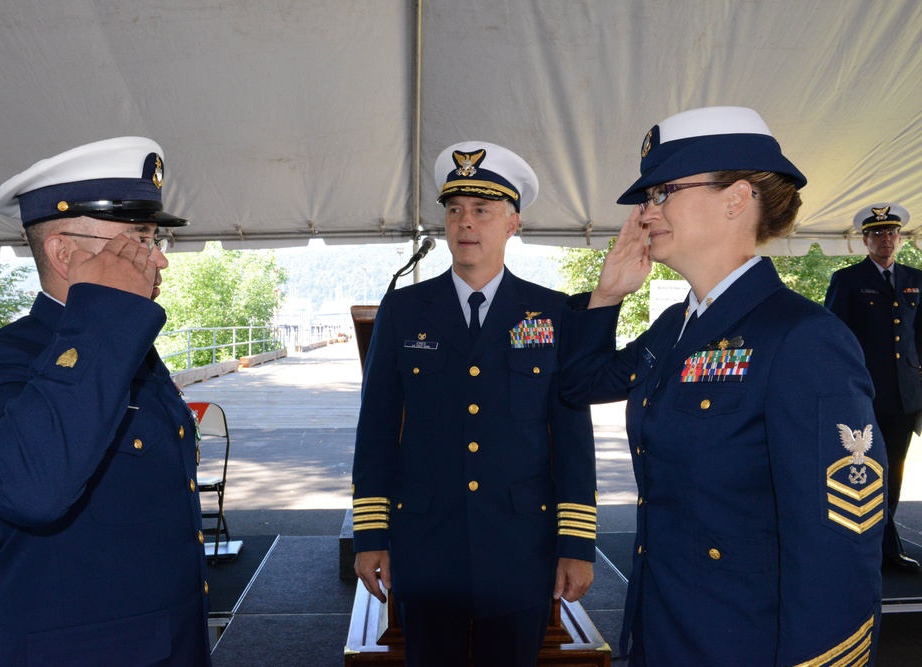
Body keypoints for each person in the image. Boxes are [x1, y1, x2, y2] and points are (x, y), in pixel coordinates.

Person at [560, 107, 885, 665]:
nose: (645, 212)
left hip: (747, 643)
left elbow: (839, 545)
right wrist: (607, 297)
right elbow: (580, 384)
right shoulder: (675, 326)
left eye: (663, 191)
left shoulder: (803, 338)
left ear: (736, 199)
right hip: (663, 630)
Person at [0, 137, 211, 666]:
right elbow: (32, 490)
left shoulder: (129, 355)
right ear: (64, 253)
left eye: (155, 239)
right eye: (137, 239)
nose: (158, 260)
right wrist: (103, 312)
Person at [351, 141, 596, 666]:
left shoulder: (552, 313)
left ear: (512, 224)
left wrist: (575, 542)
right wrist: (370, 533)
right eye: (455, 209)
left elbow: (573, 436)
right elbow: (375, 429)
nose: (466, 223)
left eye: (482, 210)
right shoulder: (404, 309)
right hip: (425, 542)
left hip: (519, 546)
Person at [825, 203, 922, 572]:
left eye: (892, 233)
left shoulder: (916, 278)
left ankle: (885, 548)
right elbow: (833, 337)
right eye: (878, 234)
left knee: (894, 470)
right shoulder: (848, 280)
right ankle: (862, 547)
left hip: (905, 395)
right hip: (864, 394)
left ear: (900, 238)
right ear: (864, 241)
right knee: (862, 470)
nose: (886, 240)